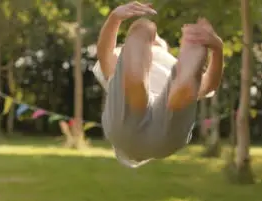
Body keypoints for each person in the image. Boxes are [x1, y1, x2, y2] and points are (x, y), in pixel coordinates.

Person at [93, 1, 224, 168]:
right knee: (144, 29)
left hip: (128, 132)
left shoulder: (172, 64)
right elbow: (209, 85)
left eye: (157, 41)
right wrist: (217, 50)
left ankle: (145, 81)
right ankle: (145, 81)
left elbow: (104, 55)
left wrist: (115, 18)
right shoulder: (121, 60)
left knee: (144, 29)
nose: (156, 41)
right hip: (166, 138)